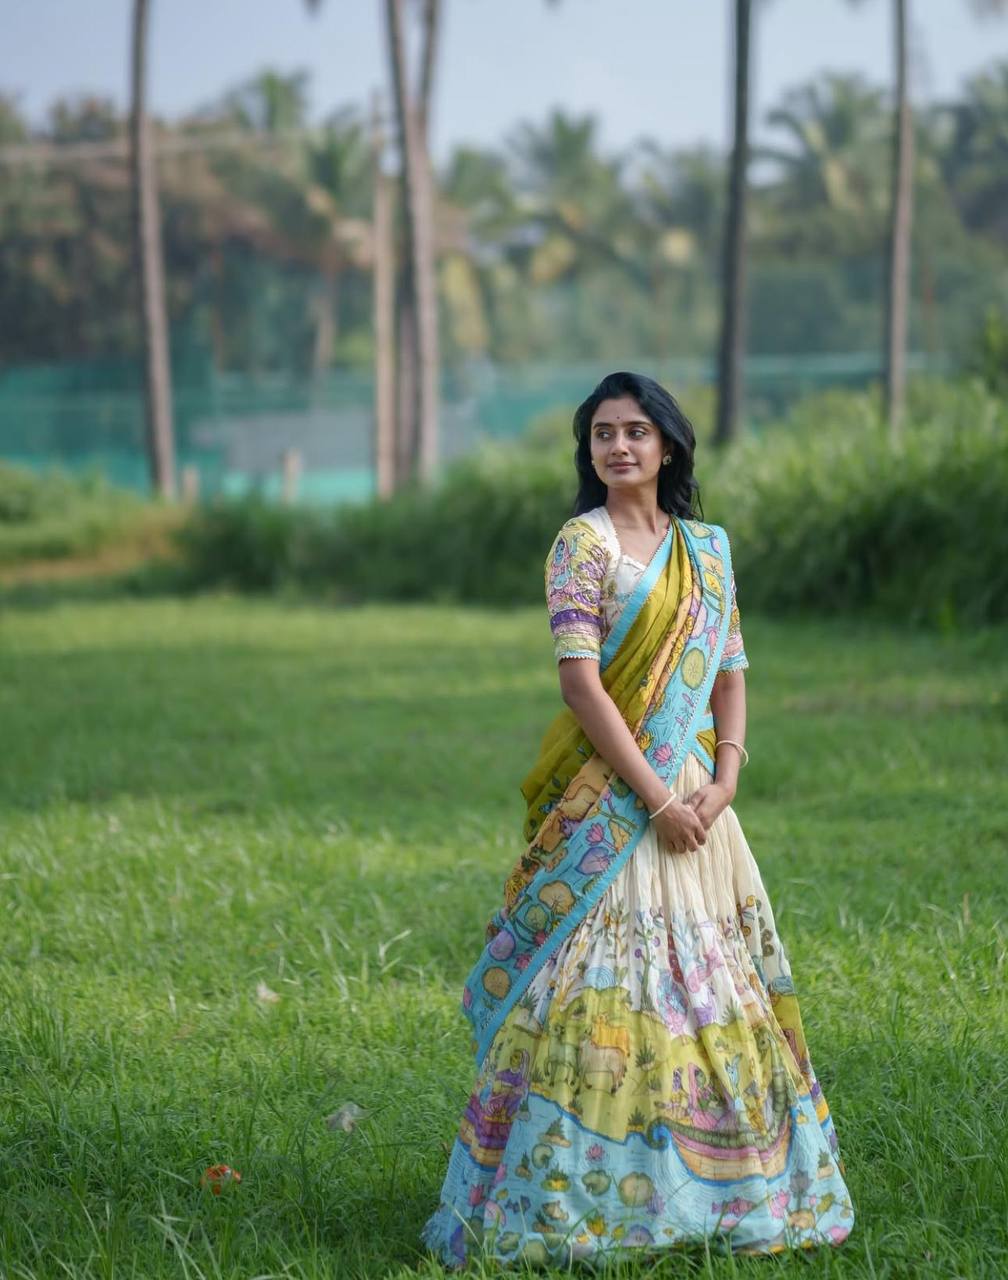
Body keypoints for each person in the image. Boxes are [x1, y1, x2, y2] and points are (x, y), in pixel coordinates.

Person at [422, 371, 854, 1268]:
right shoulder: (579, 546)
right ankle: (566, 1197)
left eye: (636, 431)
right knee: (595, 986)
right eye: (603, 434)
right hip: (612, 799)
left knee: (710, 985)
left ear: (668, 445)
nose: (619, 447)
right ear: (589, 450)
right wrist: (654, 800)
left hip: (697, 799)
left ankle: (723, 1189)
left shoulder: (707, 550)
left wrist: (721, 781)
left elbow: (730, 670)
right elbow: (581, 684)